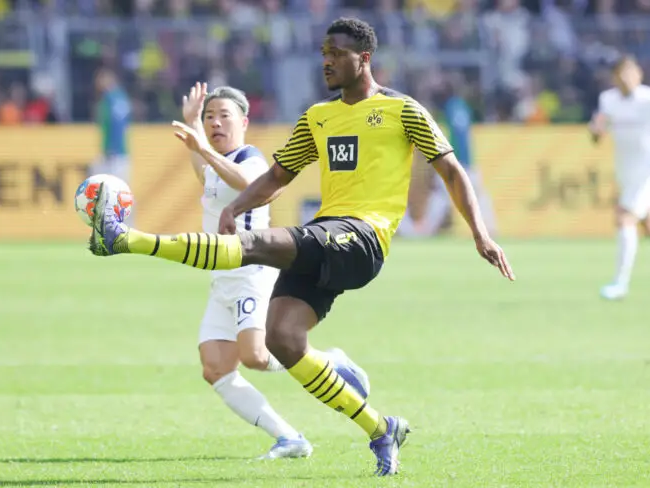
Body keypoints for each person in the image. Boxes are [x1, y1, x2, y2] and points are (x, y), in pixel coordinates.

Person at [86, 18, 514, 476]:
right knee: (281, 340)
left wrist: (480, 233)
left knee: (253, 245)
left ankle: (125, 238)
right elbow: (277, 176)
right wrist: (237, 206)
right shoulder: (318, 117)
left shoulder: (402, 110)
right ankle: (380, 428)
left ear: (364, 58)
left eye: (336, 53)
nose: (326, 61)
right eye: (324, 53)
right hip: (329, 230)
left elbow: (451, 170)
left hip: (363, 238)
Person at [175, 82, 336, 459]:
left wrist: (203, 147)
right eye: (210, 116)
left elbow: (248, 184)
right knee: (215, 368)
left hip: (252, 273)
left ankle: (330, 362)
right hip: (221, 279)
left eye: (224, 115)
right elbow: (204, 173)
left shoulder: (252, 159)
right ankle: (289, 438)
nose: (215, 123)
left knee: (256, 357)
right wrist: (192, 125)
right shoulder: (214, 162)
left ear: (244, 122)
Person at [590, 55, 650, 300]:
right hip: (626, 174)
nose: (626, 78)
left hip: (649, 173)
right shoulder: (608, 100)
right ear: (614, 77)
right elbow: (598, 130)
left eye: (631, 73)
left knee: (624, 219)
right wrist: (596, 130)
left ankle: (619, 284)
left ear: (639, 75)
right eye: (621, 74)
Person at [399, 79, 498, 237]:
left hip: (459, 162)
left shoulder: (451, 108)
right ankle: (491, 228)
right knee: (474, 195)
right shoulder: (461, 106)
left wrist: (450, 159)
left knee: (443, 196)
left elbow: (456, 136)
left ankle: (423, 231)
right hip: (467, 162)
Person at [91, 68, 131, 211]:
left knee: (112, 192)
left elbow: (115, 125)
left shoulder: (111, 99)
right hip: (118, 151)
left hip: (113, 153)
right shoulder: (120, 97)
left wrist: (110, 149)